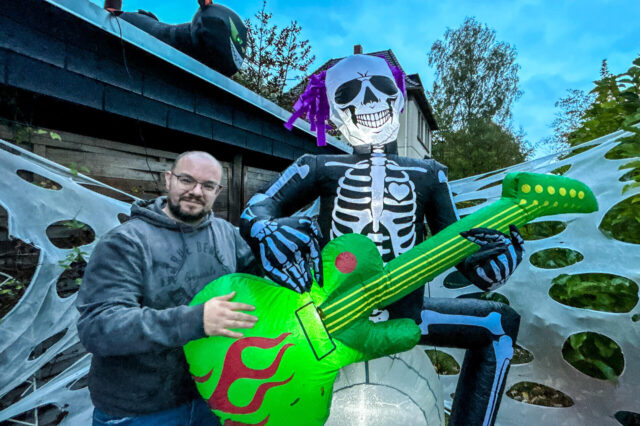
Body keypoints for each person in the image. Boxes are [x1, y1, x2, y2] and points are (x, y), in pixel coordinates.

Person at [240, 55, 522, 426]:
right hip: (328, 318)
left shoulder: (429, 174)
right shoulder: (318, 166)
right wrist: (266, 229)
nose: (370, 101)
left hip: (408, 316)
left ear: (399, 98)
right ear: (333, 112)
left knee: (498, 325)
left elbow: (460, 246)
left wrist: (492, 263)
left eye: (381, 88)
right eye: (350, 93)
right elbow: (257, 207)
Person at [77, 151, 258, 426]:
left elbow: (260, 282)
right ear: (168, 179)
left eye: (208, 185)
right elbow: (98, 327)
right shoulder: (126, 242)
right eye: (187, 180)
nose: (196, 191)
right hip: (140, 409)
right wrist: (196, 320)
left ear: (218, 191)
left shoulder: (227, 234)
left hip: (211, 396)